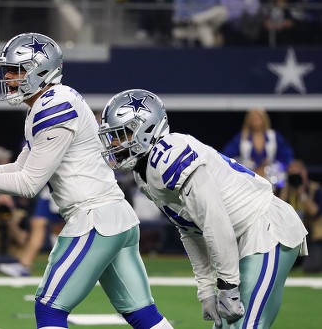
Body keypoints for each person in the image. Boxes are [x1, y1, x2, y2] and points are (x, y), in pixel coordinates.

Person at [0, 33, 172, 329]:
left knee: (49, 309)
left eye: (15, 70)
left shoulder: (54, 106)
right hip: (114, 217)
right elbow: (20, 167)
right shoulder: (48, 103)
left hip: (94, 218)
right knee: (143, 315)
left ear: (40, 71)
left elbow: (29, 184)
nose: (7, 77)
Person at [97, 89, 308, 328]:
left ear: (146, 129)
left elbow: (214, 220)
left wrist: (227, 285)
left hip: (265, 227)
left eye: (121, 134)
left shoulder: (170, 155)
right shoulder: (144, 175)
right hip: (240, 237)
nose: (114, 143)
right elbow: (190, 230)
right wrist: (207, 289)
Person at [0, 185, 64, 277]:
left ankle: (61, 264)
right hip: (50, 188)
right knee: (38, 223)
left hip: (65, 186)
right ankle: (25, 265)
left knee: (58, 227)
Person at [222, 107, 294, 189]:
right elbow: (227, 155)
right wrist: (246, 164)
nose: (255, 120)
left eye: (258, 117)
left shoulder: (273, 136)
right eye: (253, 118)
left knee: (281, 176)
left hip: (271, 176)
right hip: (249, 176)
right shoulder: (242, 137)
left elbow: (287, 156)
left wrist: (270, 165)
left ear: (264, 118)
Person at [277, 159, 322, 273]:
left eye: (298, 174)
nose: (295, 177)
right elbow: (277, 214)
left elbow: (316, 213)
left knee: (311, 268)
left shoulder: (314, 189)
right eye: (292, 174)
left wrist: (302, 194)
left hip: (311, 237)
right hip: (291, 238)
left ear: (304, 173)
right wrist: (286, 191)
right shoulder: (285, 191)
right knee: (282, 267)